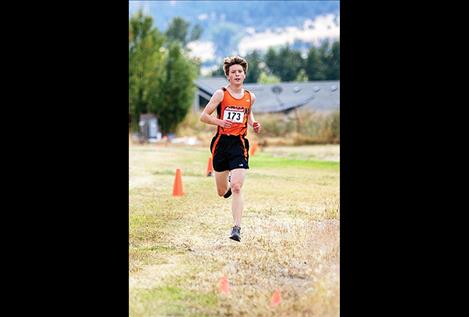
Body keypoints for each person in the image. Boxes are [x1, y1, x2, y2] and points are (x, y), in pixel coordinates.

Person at [200, 56, 261, 242]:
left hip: (239, 144)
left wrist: (254, 124)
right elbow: (204, 116)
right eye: (233, 72)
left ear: (244, 75)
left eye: (240, 72)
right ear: (228, 75)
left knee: (236, 187)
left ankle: (236, 228)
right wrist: (220, 122)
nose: (237, 74)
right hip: (221, 144)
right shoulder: (221, 94)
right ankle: (226, 183)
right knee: (222, 191)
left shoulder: (250, 97)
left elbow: (248, 115)